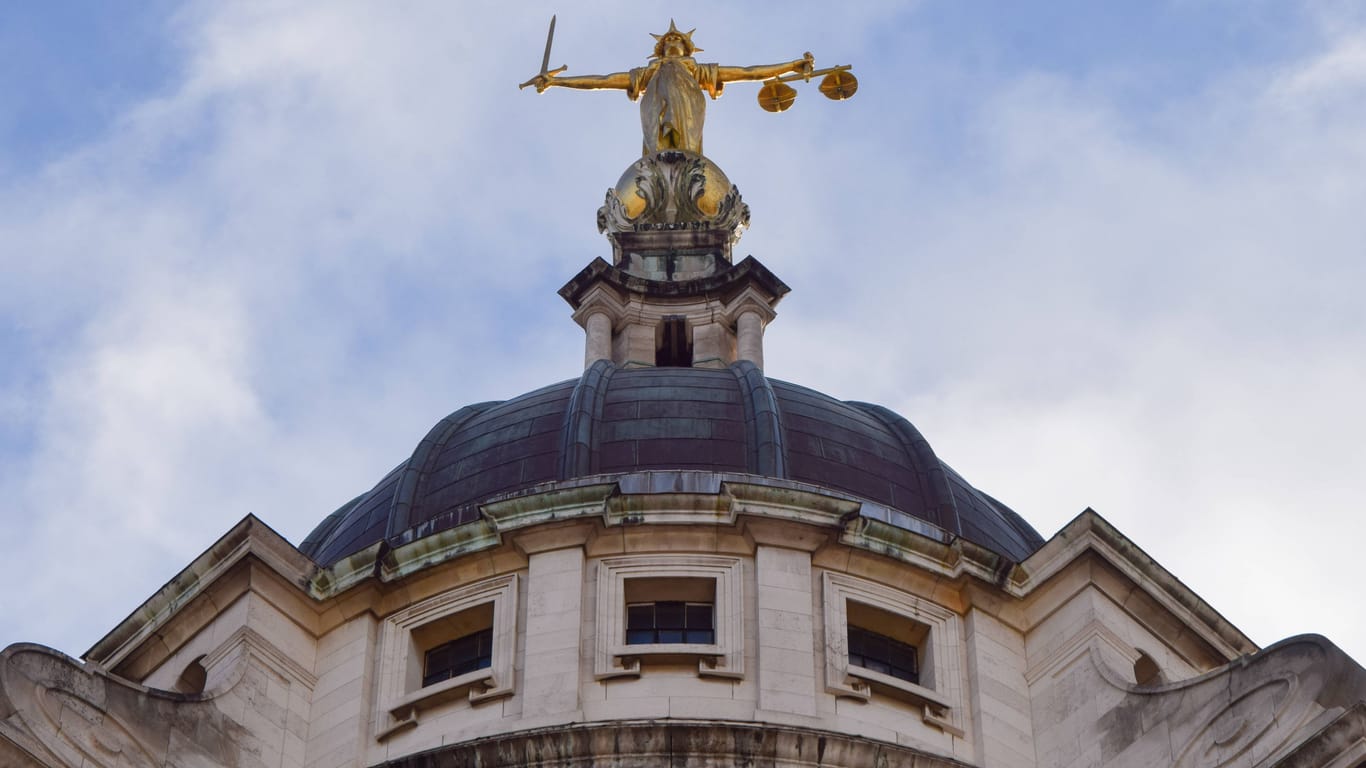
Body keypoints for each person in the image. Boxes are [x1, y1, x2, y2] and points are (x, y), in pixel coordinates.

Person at [528, 21, 814, 156]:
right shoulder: (649, 72)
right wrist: (557, 81)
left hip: (689, 106)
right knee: (660, 150)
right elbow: (603, 81)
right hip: (655, 106)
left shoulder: (697, 70)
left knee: (685, 152)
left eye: (677, 38)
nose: (672, 40)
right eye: (668, 39)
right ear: (660, 47)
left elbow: (748, 73)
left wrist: (790, 66)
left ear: (688, 47)